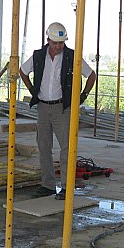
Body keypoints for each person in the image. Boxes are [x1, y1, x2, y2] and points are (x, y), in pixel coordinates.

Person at [19, 22, 96, 200]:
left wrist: (83, 95)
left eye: (61, 43)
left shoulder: (71, 57)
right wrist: (32, 90)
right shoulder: (38, 56)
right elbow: (23, 72)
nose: (58, 46)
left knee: (67, 147)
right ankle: (48, 185)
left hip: (63, 107)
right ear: (48, 40)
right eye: (55, 43)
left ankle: (67, 186)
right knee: (44, 146)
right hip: (43, 107)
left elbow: (91, 75)